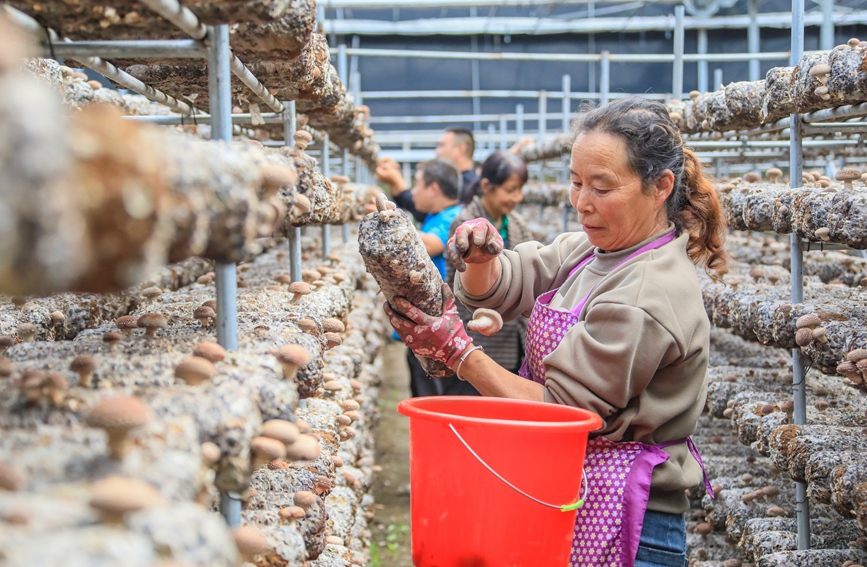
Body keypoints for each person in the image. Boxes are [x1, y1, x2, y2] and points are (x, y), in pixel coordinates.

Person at [384, 98, 727, 567]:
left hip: (630, 520)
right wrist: (481, 258)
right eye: (576, 182)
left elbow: (562, 414)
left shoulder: (648, 291)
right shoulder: (593, 249)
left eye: (602, 187)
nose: (582, 202)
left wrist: (459, 353)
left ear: (661, 186)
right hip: (568, 491)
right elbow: (510, 280)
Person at [440, 150, 534, 396]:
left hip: (513, 342)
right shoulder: (464, 225)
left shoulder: (518, 225)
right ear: (486, 186)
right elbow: (458, 282)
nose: (517, 197)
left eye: (520, 190)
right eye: (510, 189)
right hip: (477, 338)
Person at [400, 158, 463, 398]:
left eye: (416, 184)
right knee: (420, 387)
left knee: (433, 394)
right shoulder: (435, 216)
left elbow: (432, 244)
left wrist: (391, 220)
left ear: (433, 188)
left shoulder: (453, 217)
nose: (413, 192)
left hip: (436, 327)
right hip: (426, 325)